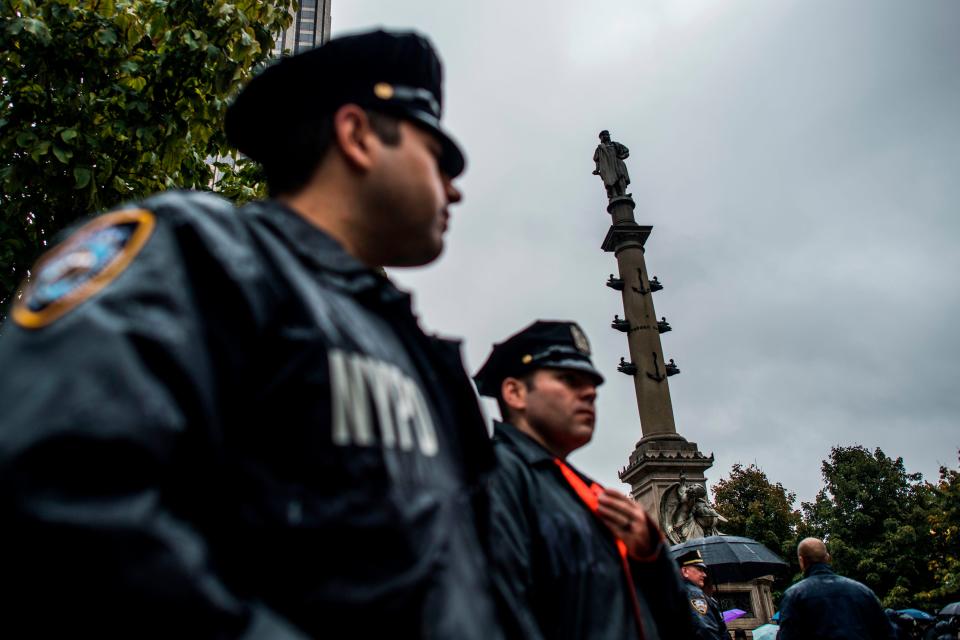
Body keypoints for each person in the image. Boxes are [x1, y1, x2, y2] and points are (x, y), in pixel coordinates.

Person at [0, 30, 504, 638]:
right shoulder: (198, 257)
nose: (454, 187)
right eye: (438, 157)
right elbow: (54, 490)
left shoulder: (421, 357)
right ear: (358, 135)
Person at [474, 320, 696, 639]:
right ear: (515, 392)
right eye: (569, 379)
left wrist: (649, 556)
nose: (590, 392)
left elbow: (670, 620)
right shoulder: (491, 476)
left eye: (591, 382)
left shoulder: (585, 492)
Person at [777, 538, 896, 640]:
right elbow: (887, 633)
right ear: (828, 558)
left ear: (801, 561)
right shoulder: (862, 591)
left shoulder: (793, 596)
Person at [677, 549, 729, 640]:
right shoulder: (694, 594)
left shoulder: (679, 592)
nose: (704, 575)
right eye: (699, 569)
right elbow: (705, 629)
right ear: (685, 571)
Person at [592, 129, 631, 198]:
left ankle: (623, 193)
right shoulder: (600, 148)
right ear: (601, 138)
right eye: (604, 135)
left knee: (621, 177)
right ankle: (614, 195)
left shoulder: (615, 144)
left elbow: (626, 151)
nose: (606, 136)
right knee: (610, 180)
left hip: (617, 163)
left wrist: (621, 156)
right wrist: (597, 169)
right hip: (607, 166)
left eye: (607, 135)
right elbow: (597, 160)